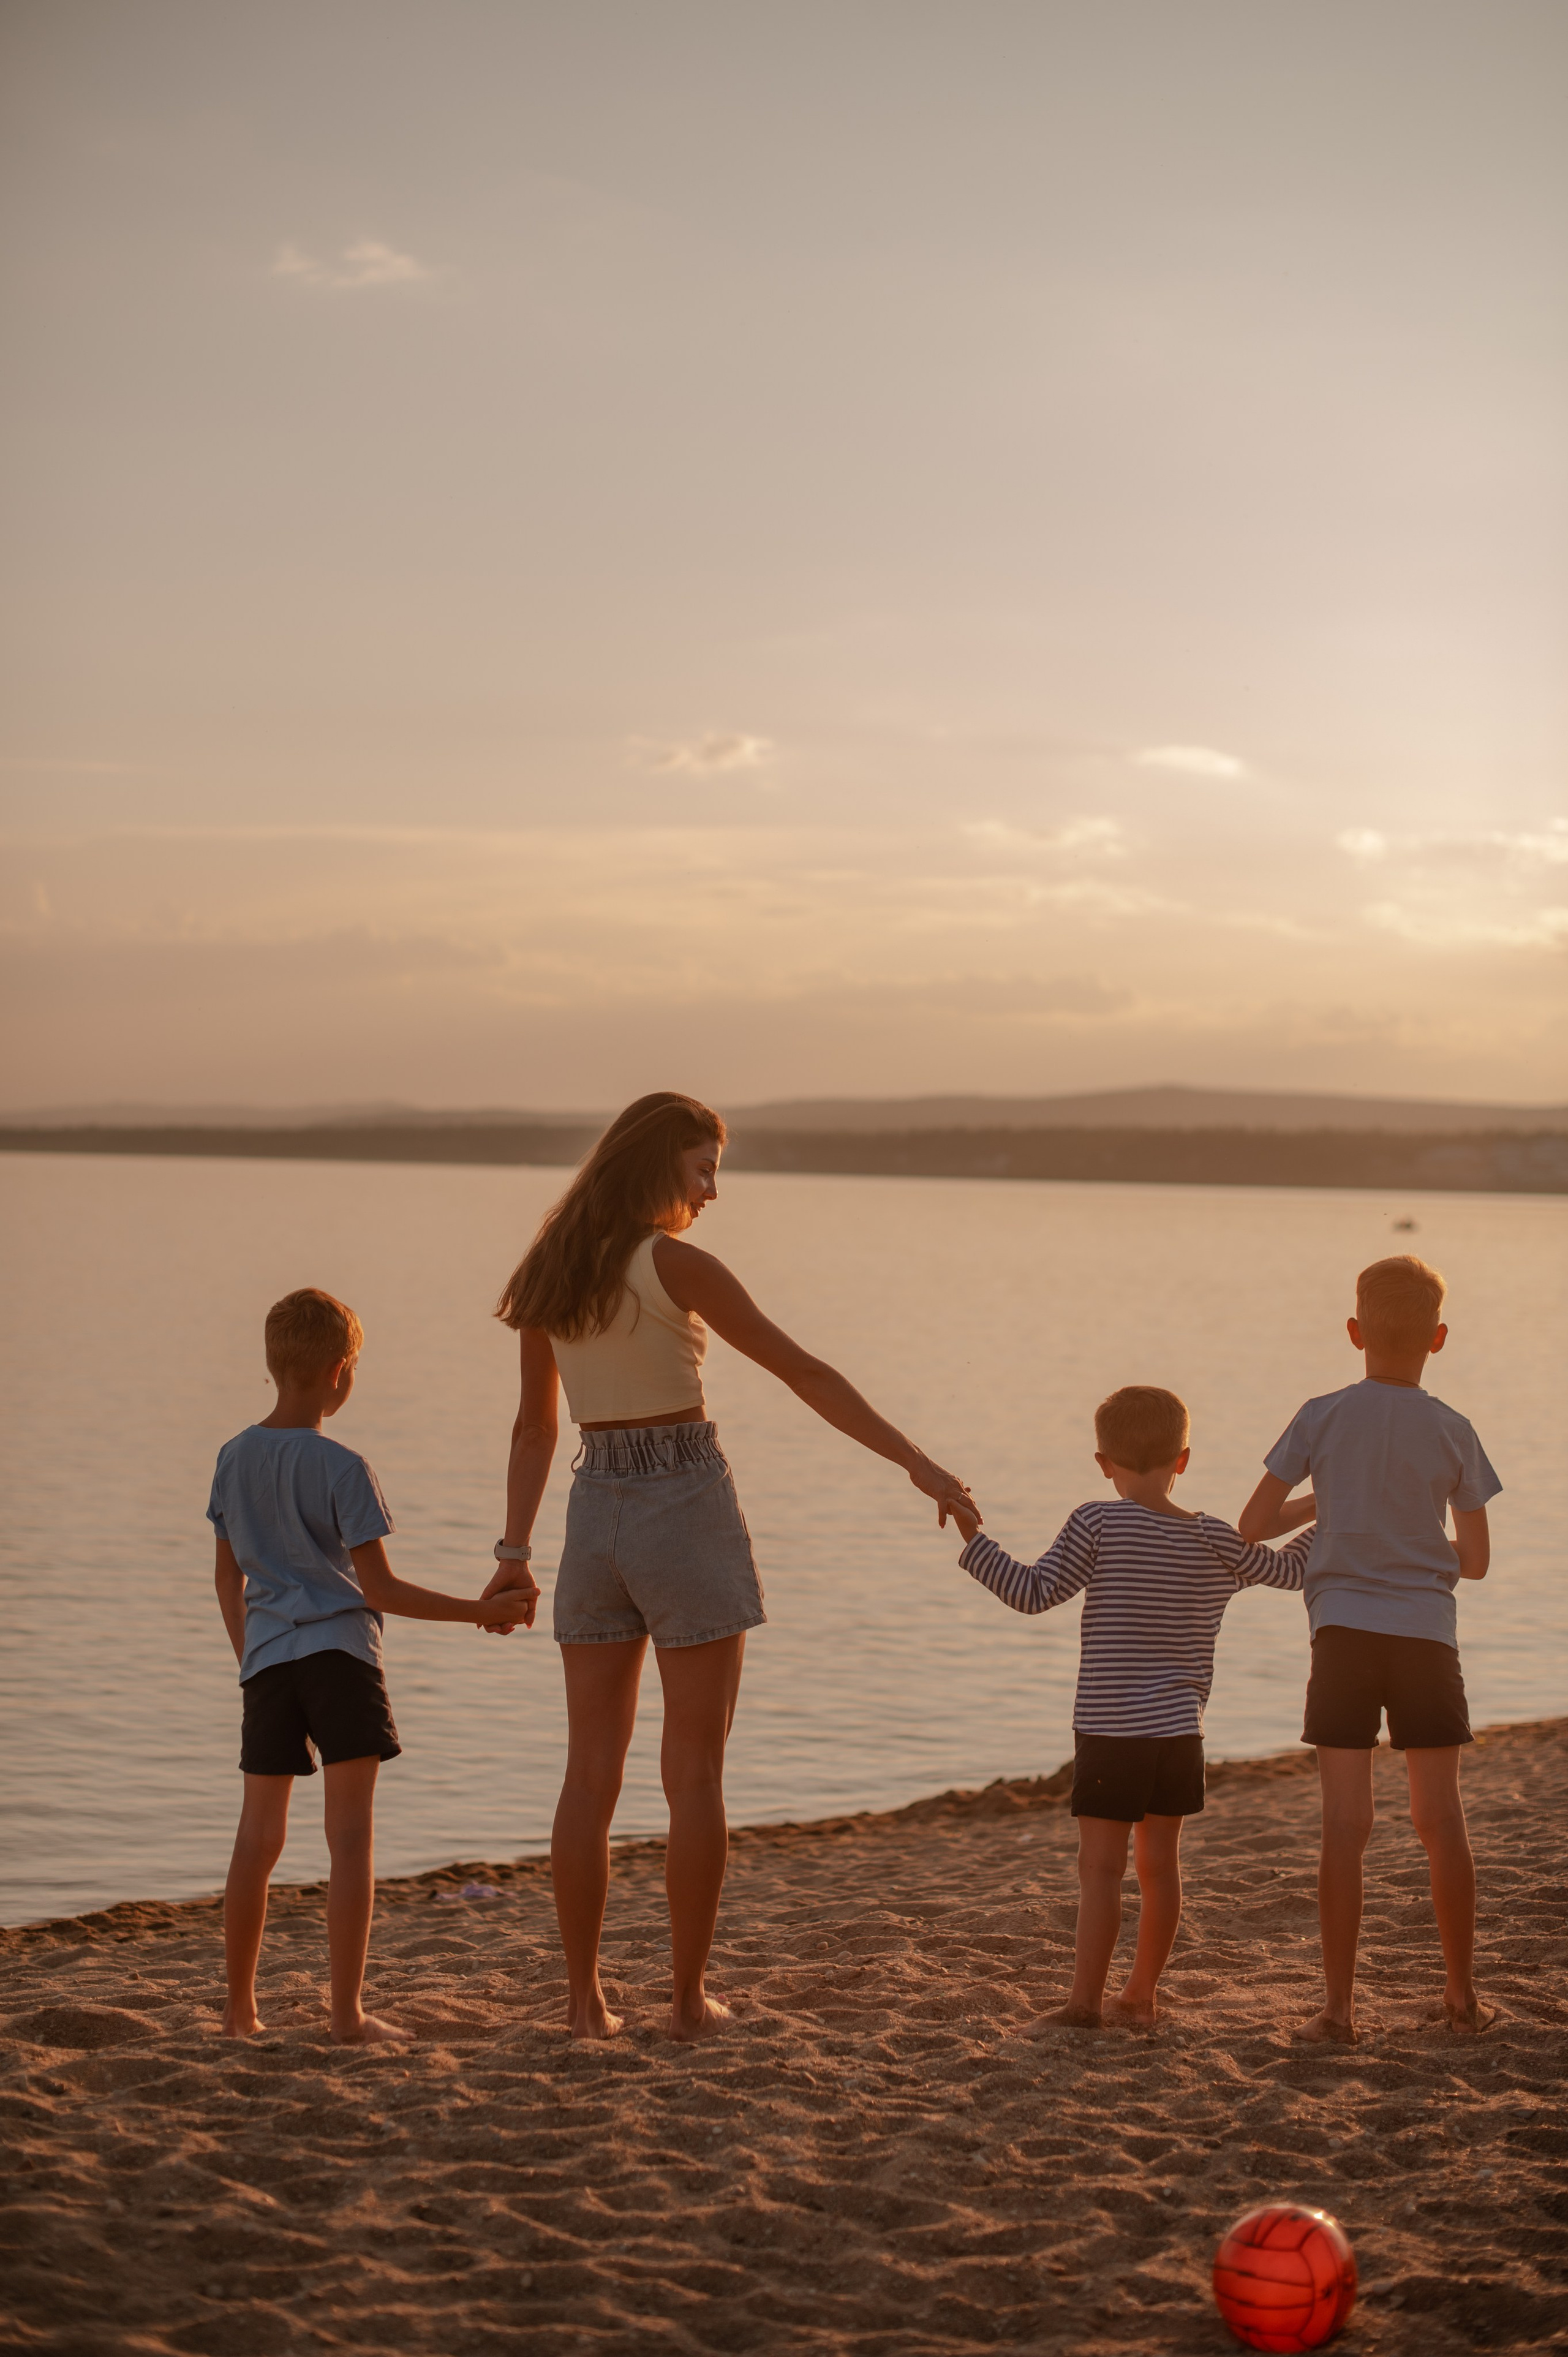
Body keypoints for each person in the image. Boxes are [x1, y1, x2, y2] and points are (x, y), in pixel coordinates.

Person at [483, 1090, 976, 2043]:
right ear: (658, 1163)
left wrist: (513, 1554)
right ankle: (683, 2001)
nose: (712, 1191)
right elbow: (806, 1373)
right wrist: (918, 1462)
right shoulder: (677, 1263)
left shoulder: (548, 1270)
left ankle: (586, 2003)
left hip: (593, 1514)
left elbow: (535, 1426)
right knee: (695, 1772)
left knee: (589, 1777)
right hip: (682, 1500)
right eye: (703, 1168)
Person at [210, 1287, 539, 2045]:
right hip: (340, 1658)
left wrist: (250, 1655)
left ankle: (239, 2012)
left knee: (256, 1840)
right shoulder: (343, 1465)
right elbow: (380, 1588)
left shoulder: (232, 1457)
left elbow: (228, 1579)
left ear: (273, 1365)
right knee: (349, 1837)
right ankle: (346, 2013)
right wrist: (480, 1610)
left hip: (268, 1663)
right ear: (339, 1372)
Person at [950, 1385, 1314, 2029]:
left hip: (1111, 1730)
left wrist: (975, 1538)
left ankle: (1083, 2004)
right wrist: (1333, 1510)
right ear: (1183, 1459)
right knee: (1159, 1867)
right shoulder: (1213, 1537)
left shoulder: (1098, 1520)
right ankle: (1141, 1995)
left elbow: (1032, 1592)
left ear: (1103, 1461)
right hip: (1179, 1734)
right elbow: (1288, 1570)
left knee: (1099, 1869)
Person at [1239, 1253, 1500, 2043]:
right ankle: (1460, 1998)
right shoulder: (1454, 1428)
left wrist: (1336, 1497)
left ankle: (1338, 2010)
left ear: (1354, 1331)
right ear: (1439, 1338)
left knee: (1344, 1825)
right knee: (1440, 1819)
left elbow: (1252, 1525)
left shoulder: (1320, 1415)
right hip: (1425, 1633)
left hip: (1343, 1632)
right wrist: (1408, 1538)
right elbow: (1476, 1561)